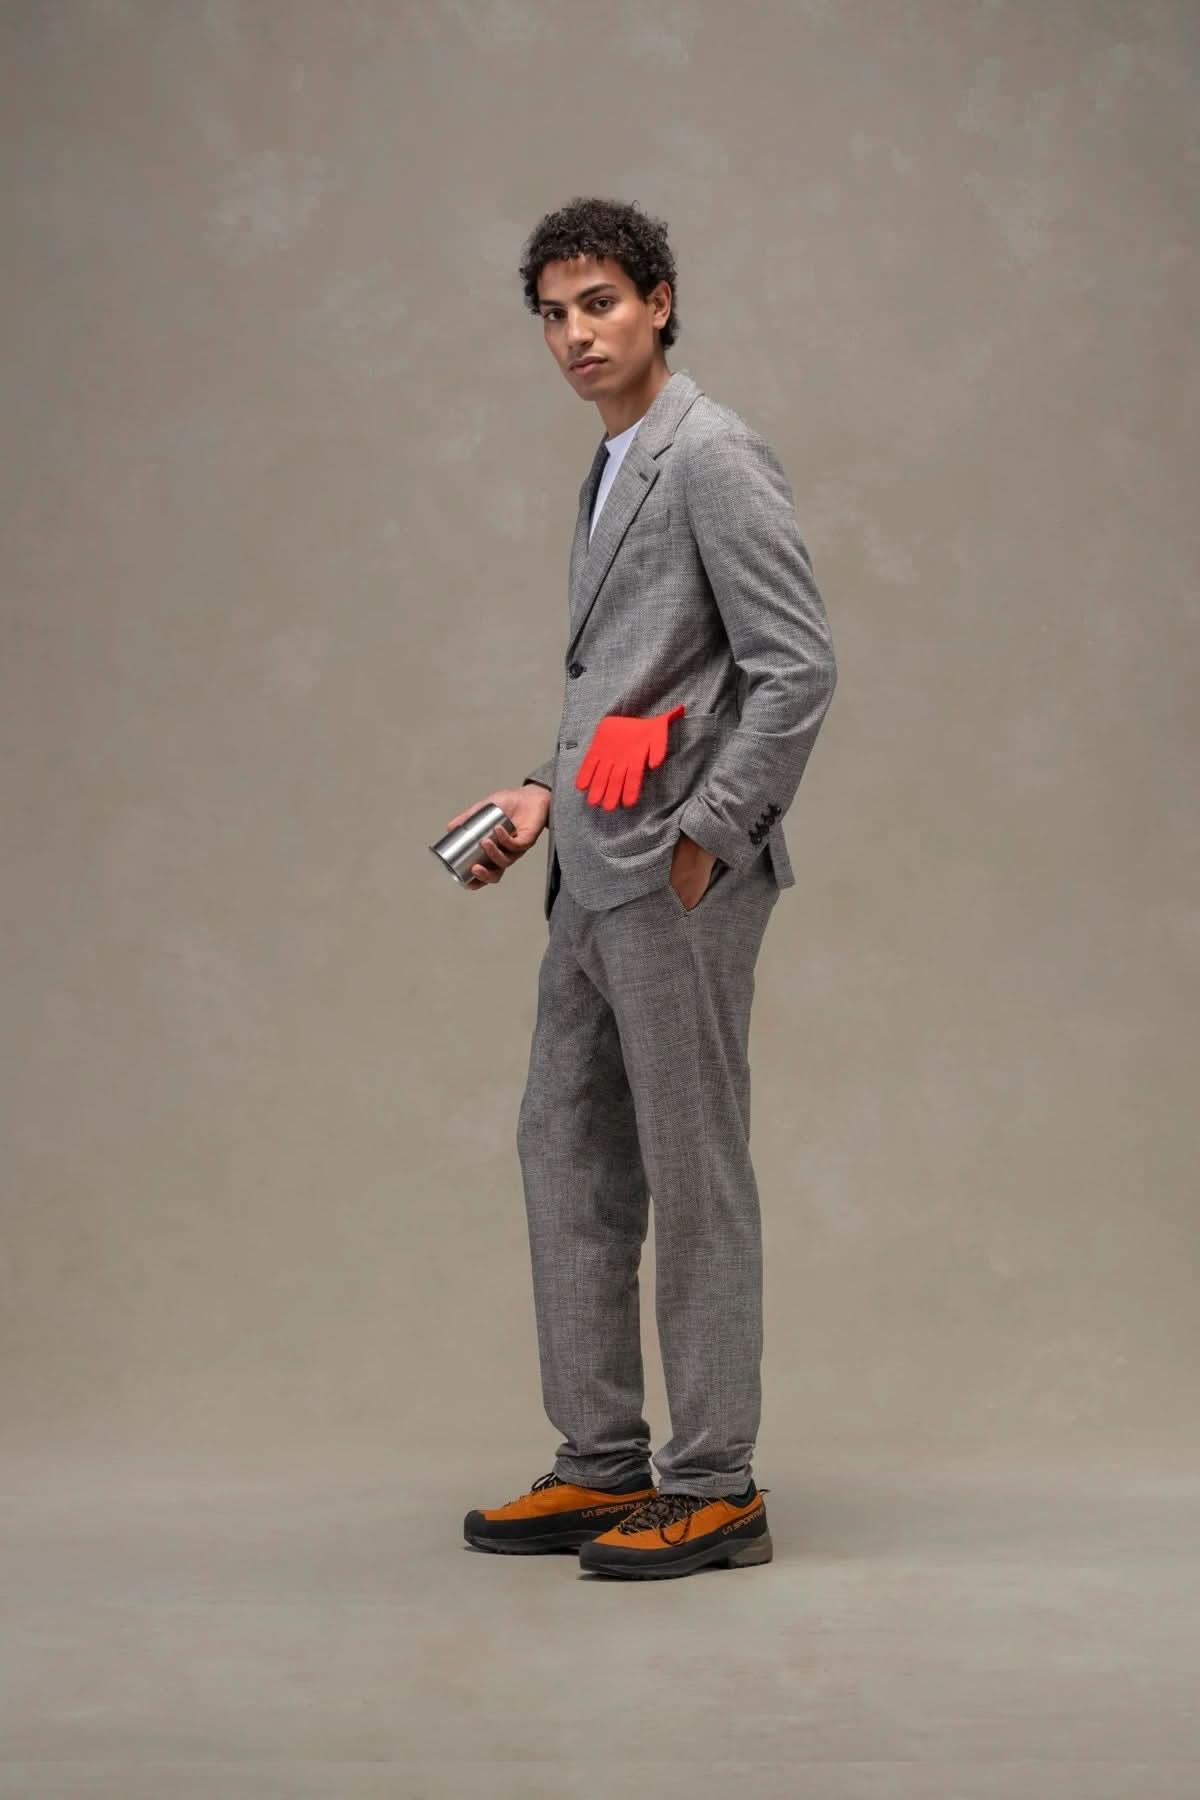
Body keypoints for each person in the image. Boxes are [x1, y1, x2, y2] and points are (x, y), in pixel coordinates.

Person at [448, 197, 838, 1579]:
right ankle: (602, 1461)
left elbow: (797, 668)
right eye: (555, 314)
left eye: (601, 303)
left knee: (693, 1169)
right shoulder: (613, 463)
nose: (576, 334)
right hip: (588, 870)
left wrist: (707, 835)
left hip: (677, 880)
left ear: (659, 302)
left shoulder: (710, 454)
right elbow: (630, 682)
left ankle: (716, 1484)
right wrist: (539, 793)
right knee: (565, 1152)